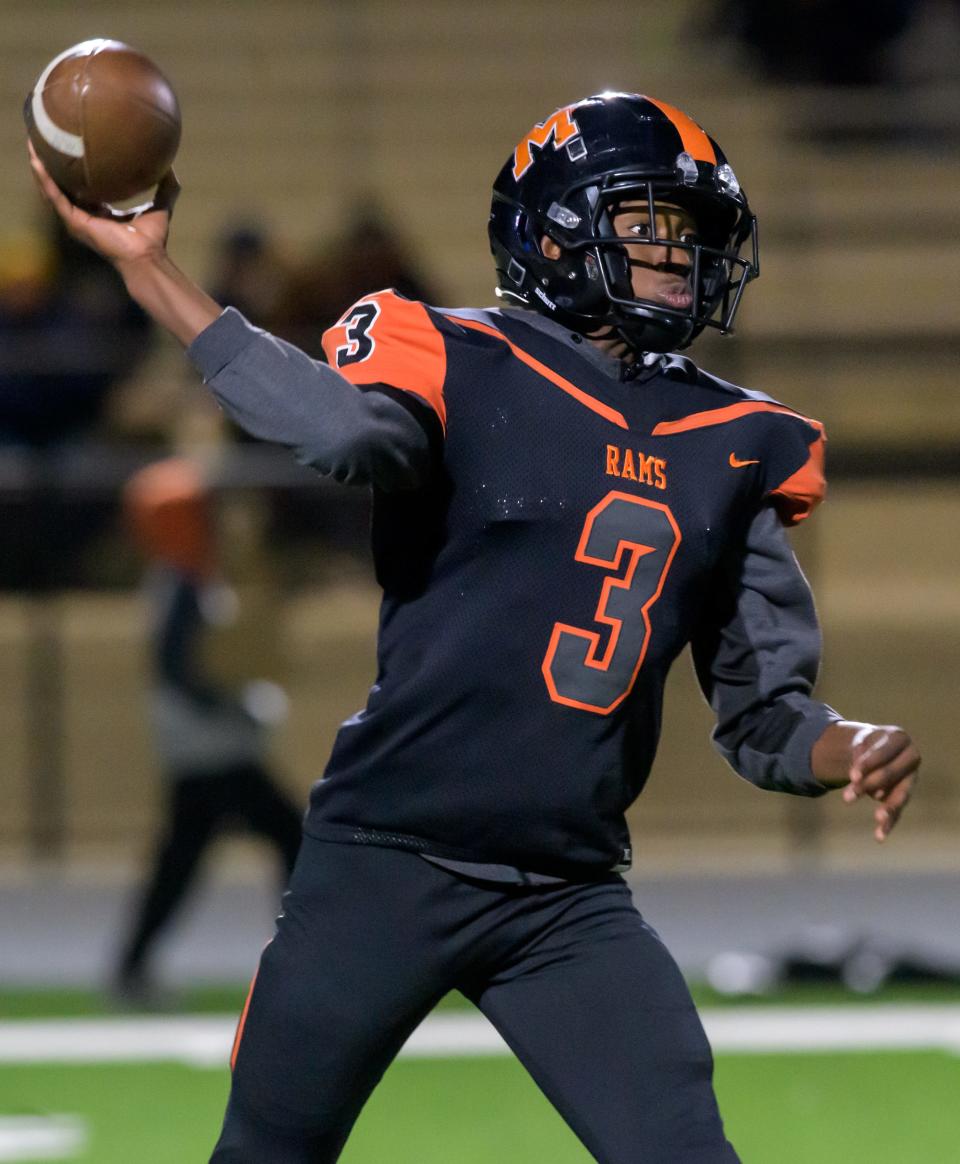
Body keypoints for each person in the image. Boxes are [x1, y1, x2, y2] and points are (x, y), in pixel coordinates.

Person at [30, 91, 921, 1162]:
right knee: (267, 1150)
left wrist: (846, 746)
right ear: (556, 231)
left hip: (566, 892)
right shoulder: (453, 354)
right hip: (384, 862)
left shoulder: (737, 440)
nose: (677, 255)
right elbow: (339, 429)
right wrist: (149, 272)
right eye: (645, 225)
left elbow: (763, 714)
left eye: (688, 232)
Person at [113, 456, 302, 1004]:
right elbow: (179, 669)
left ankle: (132, 968)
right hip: (211, 749)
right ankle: (298, 958)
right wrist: (238, 706)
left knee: (182, 857)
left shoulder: (183, 581)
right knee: (291, 836)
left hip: (204, 748)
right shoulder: (180, 586)